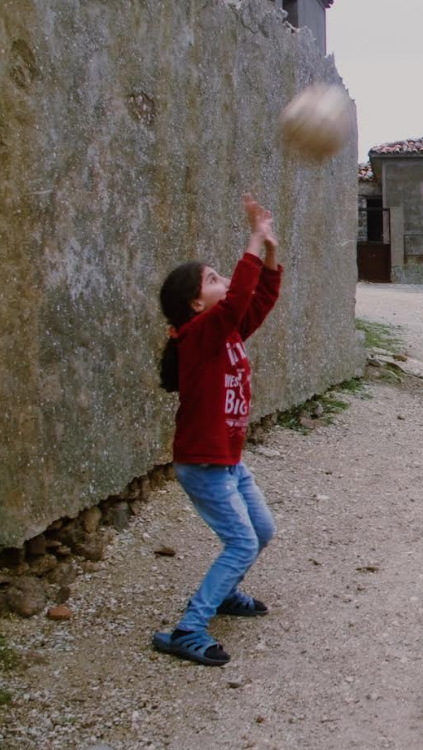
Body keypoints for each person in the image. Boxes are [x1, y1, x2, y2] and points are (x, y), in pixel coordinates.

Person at [151, 194, 283, 666]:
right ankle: (188, 627)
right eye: (212, 280)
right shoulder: (197, 336)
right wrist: (251, 239)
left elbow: (259, 300)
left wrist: (269, 251)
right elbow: (240, 299)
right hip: (204, 465)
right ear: (194, 304)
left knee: (261, 531)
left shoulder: (224, 332)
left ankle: (225, 593)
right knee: (242, 541)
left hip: (229, 462)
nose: (224, 282)